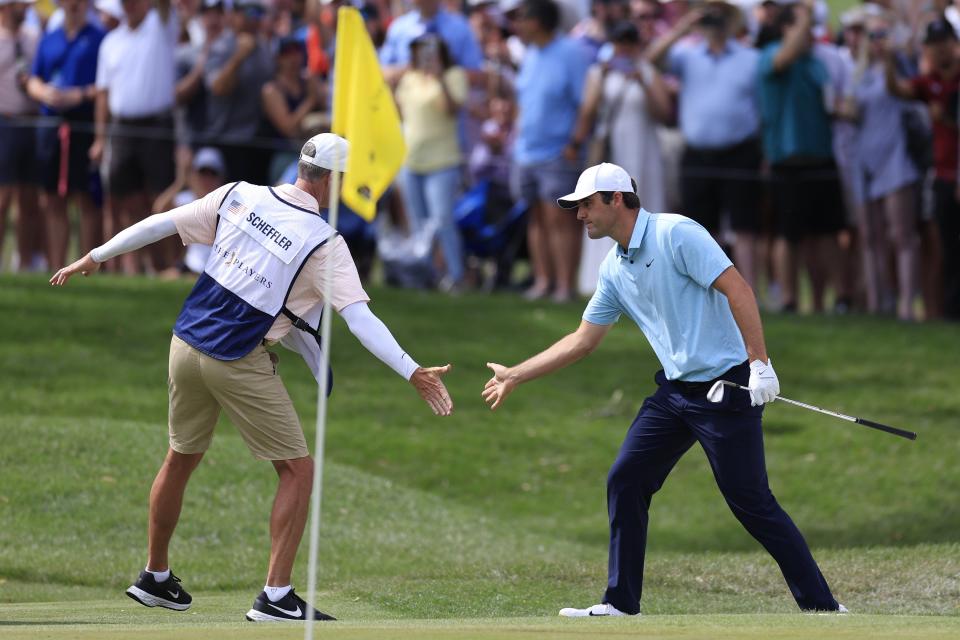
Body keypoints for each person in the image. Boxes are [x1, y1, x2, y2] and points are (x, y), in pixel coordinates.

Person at [50, 133, 455, 622]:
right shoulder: (324, 241)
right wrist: (412, 370)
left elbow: (160, 224)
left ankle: (155, 576)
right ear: (335, 181)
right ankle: (276, 595)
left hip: (185, 342)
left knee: (180, 457)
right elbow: (360, 319)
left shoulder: (238, 193)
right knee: (297, 470)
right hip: (237, 355)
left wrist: (94, 255)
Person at [482, 161, 846, 617]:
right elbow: (582, 341)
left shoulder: (676, 234)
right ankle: (621, 603)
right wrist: (516, 374)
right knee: (626, 478)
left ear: (617, 199)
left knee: (751, 503)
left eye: (587, 205)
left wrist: (760, 366)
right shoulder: (614, 268)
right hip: (675, 394)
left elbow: (739, 290)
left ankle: (823, 607)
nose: (580, 216)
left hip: (726, 388)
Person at [647, 0, 763, 288]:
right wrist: (685, 26)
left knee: (745, 227)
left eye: (720, 14)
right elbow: (651, 59)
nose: (715, 20)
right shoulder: (687, 55)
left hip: (740, 151)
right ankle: (706, 291)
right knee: (700, 229)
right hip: (698, 154)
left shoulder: (750, 58)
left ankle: (747, 292)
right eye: (710, 14)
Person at [569, 21, 670, 295]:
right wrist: (602, 78)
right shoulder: (599, 72)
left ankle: (648, 278)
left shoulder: (648, 72)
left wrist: (643, 82)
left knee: (641, 206)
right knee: (603, 206)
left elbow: (664, 113)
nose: (624, 48)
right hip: (612, 152)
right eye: (620, 43)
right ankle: (601, 279)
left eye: (629, 43)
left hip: (643, 153)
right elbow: (587, 112)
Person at [757, 0, 845, 313]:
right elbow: (783, 58)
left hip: (821, 159)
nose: (809, 32)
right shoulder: (771, 54)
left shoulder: (816, 62)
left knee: (828, 233)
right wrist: (805, 13)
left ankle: (838, 300)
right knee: (787, 234)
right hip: (787, 161)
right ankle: (790, 300)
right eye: (802, 26)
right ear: (785, 29)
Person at [506, 0, 591, 302]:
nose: (517, 24)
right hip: (526, 152)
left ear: (538, 21)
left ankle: (564, 286)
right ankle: (543, 282)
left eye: (522, 18)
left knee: (561, 220)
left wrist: (576, 143)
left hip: (559, 151)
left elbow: (586, 102)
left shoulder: (571, 52)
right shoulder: (530, 54)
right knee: (536, 218)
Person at [92, 0, 179, 274]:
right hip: (122, 129)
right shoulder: (110, 42)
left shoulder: (161, 24)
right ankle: (145, 265)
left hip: (157, 126)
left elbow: (165, 6)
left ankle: (170, 266)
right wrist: (99, 137)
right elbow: (103, 95)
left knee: (160, 199)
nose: (130, 5)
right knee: (128, 200)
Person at [884, 17, 960, 321]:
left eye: (944, 44)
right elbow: (899, 90)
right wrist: (888, 60)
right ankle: (948, 311)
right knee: (945, 245)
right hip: (942, 175)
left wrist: (946, 118)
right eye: (934, 45)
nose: (939, 51)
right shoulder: (930, 82)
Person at [850, 13, 920, 320]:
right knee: (871, 236)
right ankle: (879, 301)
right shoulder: (860, 72)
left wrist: (892, 58)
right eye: (873, 37)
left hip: (896, 158)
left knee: (901, 234)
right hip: (866, 160)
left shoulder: (902, 67)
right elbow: (855, 109)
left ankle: (907, 304)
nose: (877, 42)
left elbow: (897, 90)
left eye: (882, 36)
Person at [26, 0, 105, 270]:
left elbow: (105, 87)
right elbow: (33, 78)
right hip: (51, 127)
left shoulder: (99, 38)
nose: (74, 4)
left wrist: (79, 95)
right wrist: (43, 92)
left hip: (84, 124)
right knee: (51, 198)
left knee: (85, 197)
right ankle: (57, 266)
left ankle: (85, 266)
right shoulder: (49, 39)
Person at [395, 33, 468, 291]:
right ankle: (425, 275)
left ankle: (456, 276)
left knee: (442, 221)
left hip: (443, 162)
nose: (425, 55)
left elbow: (452, 109)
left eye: (430, 50)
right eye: (420, 50)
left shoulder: (453, 75)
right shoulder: (409, 78)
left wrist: (439, 79)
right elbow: (401, 112)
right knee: (418, 223)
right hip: (410, 162)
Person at [0, 0, 42, 272]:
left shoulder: (33, 38)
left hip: (32, 124)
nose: (26, 8)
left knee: (29, 199)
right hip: (3, 124)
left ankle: (24, 263)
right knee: (2, 199)